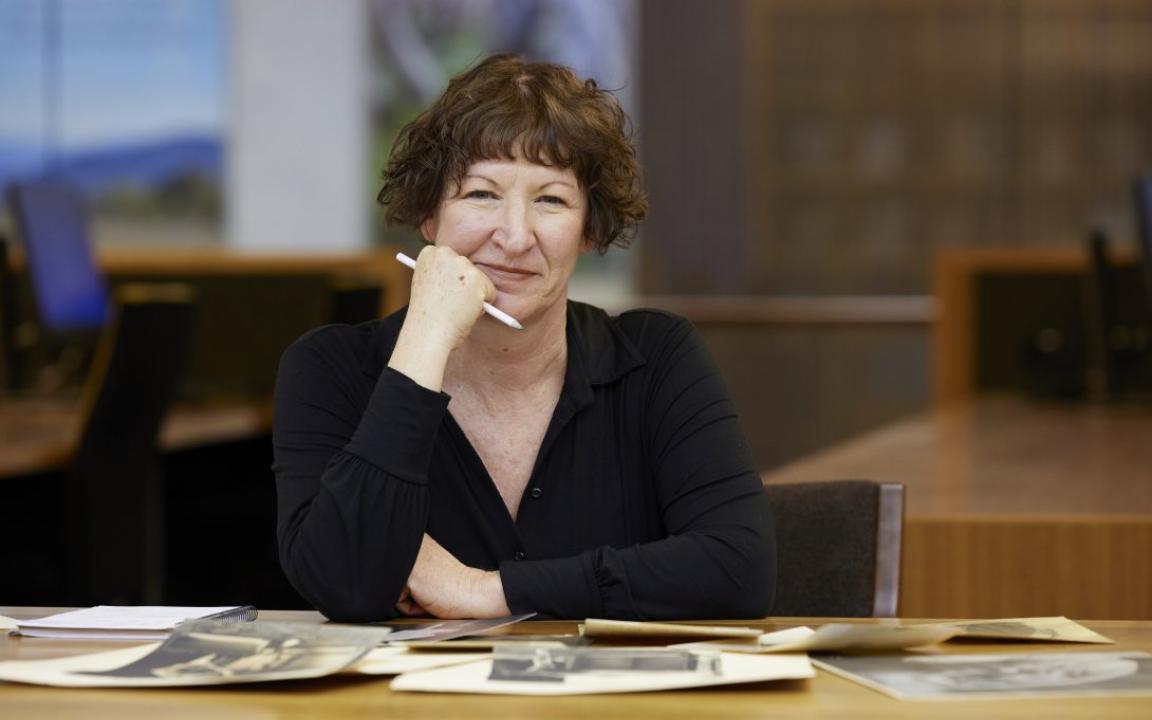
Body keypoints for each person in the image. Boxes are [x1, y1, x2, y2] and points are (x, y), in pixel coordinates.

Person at [273, 53, 774, 622]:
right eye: (481, 194)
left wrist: (487, 591)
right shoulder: (330, 367)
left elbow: (740, 570)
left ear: (588, 230)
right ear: (429, 218)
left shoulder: (656, 357)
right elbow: (344, 583)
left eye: (551, 200)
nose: (513, 238)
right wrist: (427, 337)